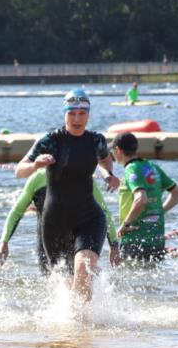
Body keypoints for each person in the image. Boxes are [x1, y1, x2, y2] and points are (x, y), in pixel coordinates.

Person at [15, 89, 120, 301]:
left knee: (83, 274)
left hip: (89, 218)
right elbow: (19, 170)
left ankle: (84, 332)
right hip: (55, 224)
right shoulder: (51, 140)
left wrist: (109, 174)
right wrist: (35, 164)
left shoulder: (96, 140)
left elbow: (105, 159)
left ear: (88, 115)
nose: (77, 119)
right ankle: (76, 331)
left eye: (82, 114)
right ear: (65, 114)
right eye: (72, 113)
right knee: (68, 290)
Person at [0, 169, 121, 273]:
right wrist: (4, 241)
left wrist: (113, 244)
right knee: (54, 283)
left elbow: (104, 211)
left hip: (78, 236)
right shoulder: (37, 178)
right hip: (47, 241)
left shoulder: (84, 177)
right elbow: (16, 212)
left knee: (82, 277)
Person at [110, 132, 178, 262]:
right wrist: (159, 210)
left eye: (112, 150)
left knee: (131, 278)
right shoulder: (152, 167)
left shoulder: (130, 169)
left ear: (118, 150)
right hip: (156, 238)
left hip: (135, 238)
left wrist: (126, 224)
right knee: (151, 278)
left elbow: (141, 199)